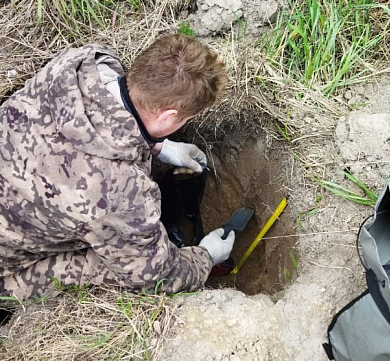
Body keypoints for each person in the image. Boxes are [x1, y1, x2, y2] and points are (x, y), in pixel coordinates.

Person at [0, 33, 235, 300]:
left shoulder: (84, 61)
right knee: (111, 265)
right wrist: (205, 257)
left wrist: (158, 146)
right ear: (168, 116)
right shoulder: (124, 193)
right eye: (186, 119)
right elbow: (156, 277)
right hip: (7, 264)